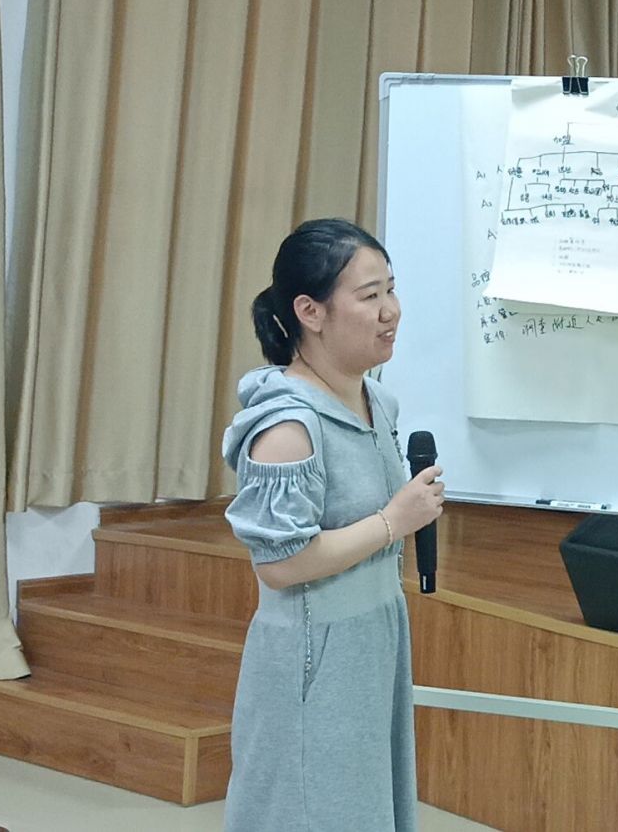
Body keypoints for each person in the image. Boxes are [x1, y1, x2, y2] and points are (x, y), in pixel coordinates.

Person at [221, 218, 444, 831]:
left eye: (391, 290)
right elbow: (280, 564)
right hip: (313, 656)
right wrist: (394, 521)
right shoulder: (287, 427)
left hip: (374, 637)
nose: (390, 311)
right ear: (309, 312)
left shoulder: (379, 402)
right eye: (369, 296)